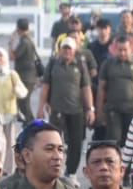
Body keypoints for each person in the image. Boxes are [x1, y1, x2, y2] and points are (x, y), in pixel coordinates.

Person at [37, 36, 95, 176]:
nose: (67, 51)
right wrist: (40, 108)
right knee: (53, 142)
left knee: (76, 143)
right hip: (57, 109)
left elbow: (86, 88)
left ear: (74, 50)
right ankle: (55, 170)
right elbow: (45, 87)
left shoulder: (80, 65)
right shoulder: (53, 64)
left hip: (76, 110)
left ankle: (71, 173)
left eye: (69, 49)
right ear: (60, 49)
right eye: (64, 48)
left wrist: (90, 109)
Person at [95, 34, 133, 145]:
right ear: (115, 50)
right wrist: (99, 110)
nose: (122, 53)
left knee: (130, 141)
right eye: (119, 50)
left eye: (125, 50)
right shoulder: (108, 63)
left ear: (131, 49)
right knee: (114, 141)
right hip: (113, 109)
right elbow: (101, 88)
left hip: (132, 109)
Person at [0, 46, 28, 173]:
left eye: (0, 56)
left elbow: (23, 92)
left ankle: (10, 168)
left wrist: (16, 91)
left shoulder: (12, 74)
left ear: (5, 58)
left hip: (10, 113)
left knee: (10, 142)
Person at [11, 17, 42, 121]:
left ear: (18, 29)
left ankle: (31, 123)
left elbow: (12, 56)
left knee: (23, 102)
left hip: (25, 77)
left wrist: (10, 42)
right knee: (23, 102)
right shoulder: (29, 40)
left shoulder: (24, 42)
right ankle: (29, 122)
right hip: (29, 76)